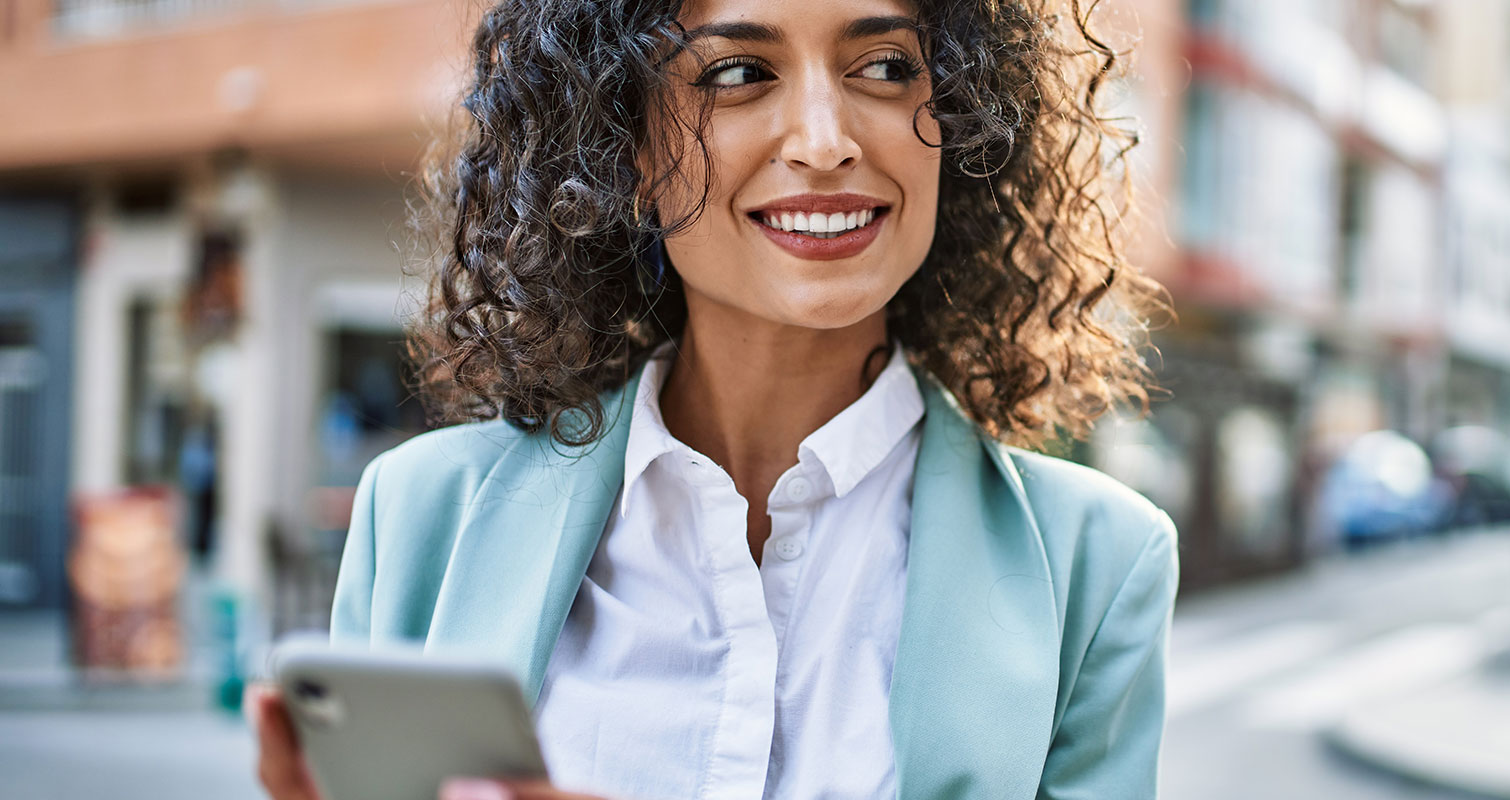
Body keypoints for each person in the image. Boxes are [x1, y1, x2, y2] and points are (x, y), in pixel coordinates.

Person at [251, 0, 1177, 798]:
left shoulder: (1098, 570)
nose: (825, 140)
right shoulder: (421, 517)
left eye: (889, 66)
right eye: (739, 72)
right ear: (625, 140)